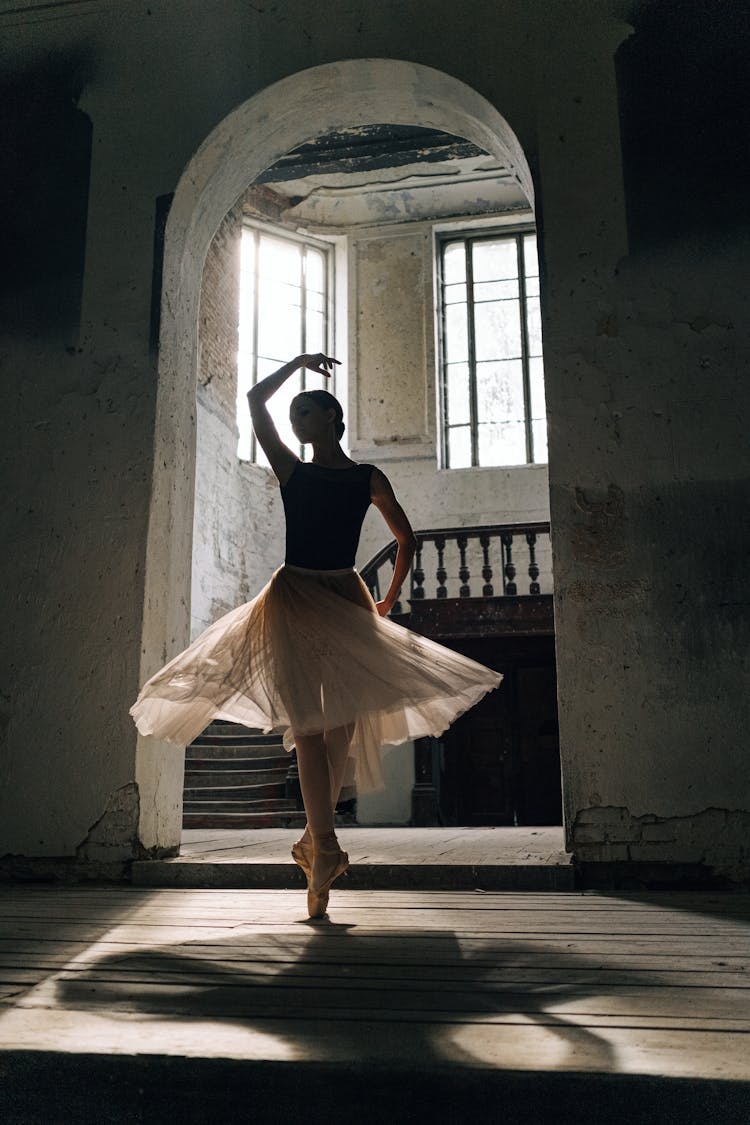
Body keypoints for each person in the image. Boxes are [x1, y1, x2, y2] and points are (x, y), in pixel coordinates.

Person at [130, 353, 503, 918]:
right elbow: (256, 402)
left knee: (340, 727)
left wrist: (389, 599)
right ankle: (323, 847)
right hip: (298, 596)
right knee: (310, 725)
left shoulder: (365, 477)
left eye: (306, 411)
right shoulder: (292, 469)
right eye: (295, 414)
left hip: (343, 596)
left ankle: (319, 846)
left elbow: (408, 539)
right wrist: (298, 363)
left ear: (331, 418)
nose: (296, 419)